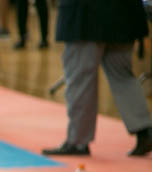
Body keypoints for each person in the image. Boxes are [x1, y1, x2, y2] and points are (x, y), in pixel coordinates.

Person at [41, 0, 152, 157]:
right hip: (123, 12)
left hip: (85, 14)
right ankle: (144, 130)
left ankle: (78, 141)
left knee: (80, 77)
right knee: (122, 75)